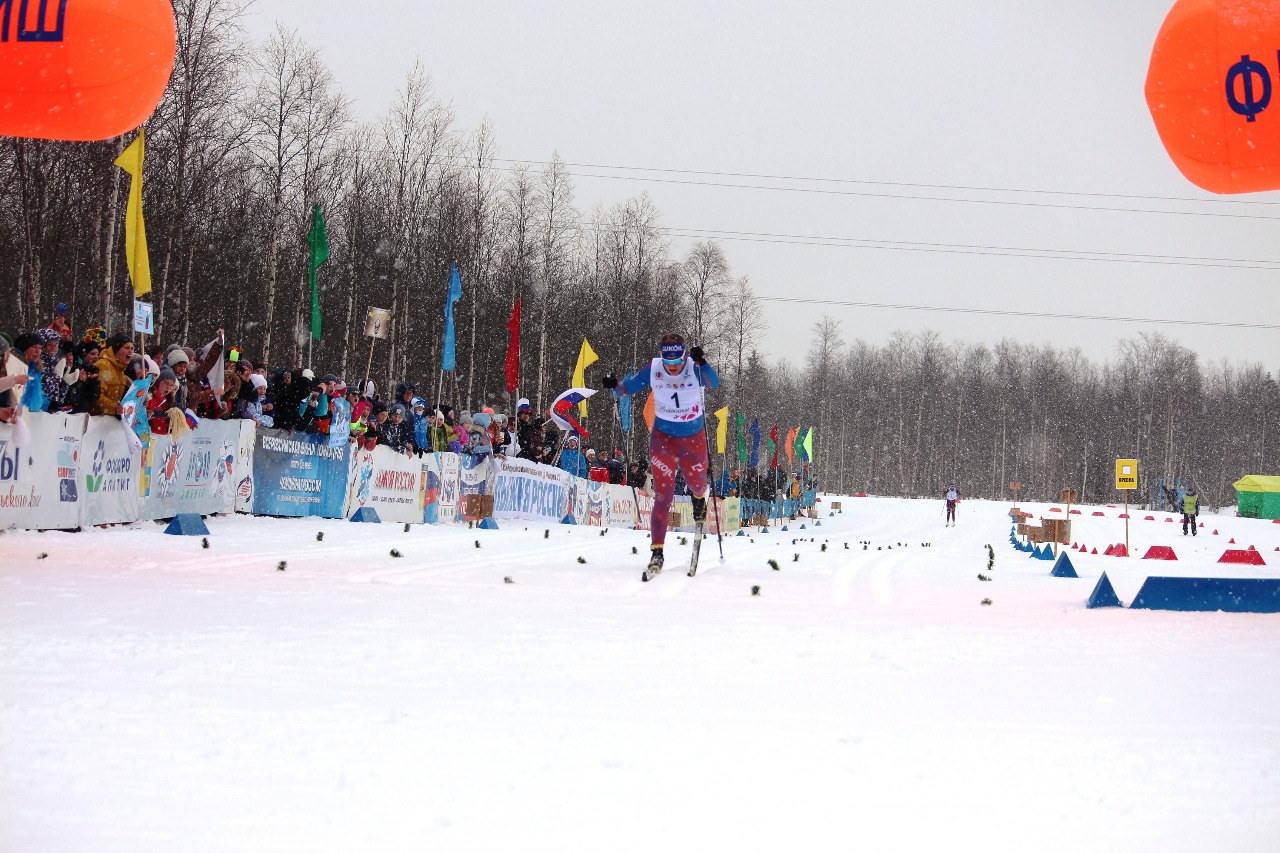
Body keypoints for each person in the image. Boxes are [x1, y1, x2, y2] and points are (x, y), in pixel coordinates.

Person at [605, 333, 719, 576]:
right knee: (663, 496)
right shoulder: (654, 368)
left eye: (677, 360)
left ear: (684, 355)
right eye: (668, 362)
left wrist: (704, 362)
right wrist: (614, 385)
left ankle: (699, 497)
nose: (673, 366)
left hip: (693, 438)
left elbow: (713, 382)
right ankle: (657, 552)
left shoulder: (692, 366)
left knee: (696, 483)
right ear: (662, 358)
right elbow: (627, 389)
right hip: (663, 439)